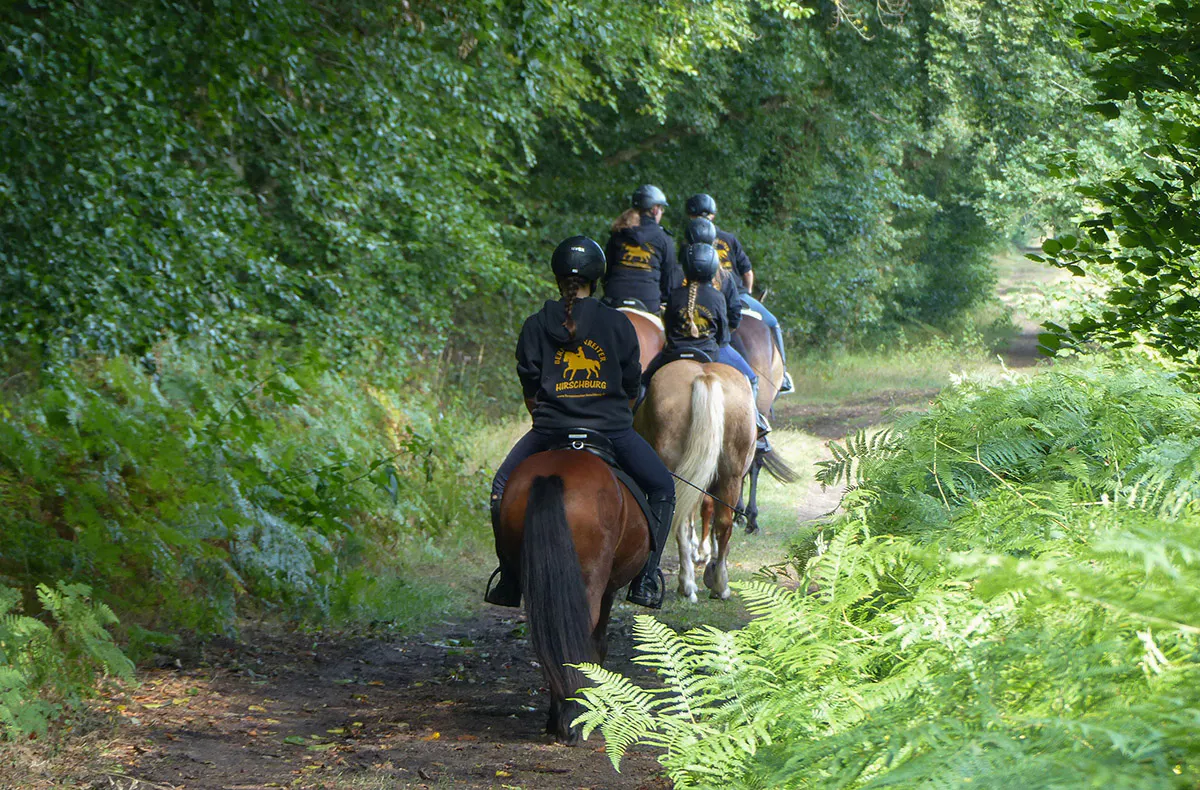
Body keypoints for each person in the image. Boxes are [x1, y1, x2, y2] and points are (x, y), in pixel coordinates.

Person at [485, 235, 677, 610]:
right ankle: (648, 578)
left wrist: (552, 421)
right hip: (612, 432)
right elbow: (630, 387)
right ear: (598, 277)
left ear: (557, 277)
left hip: (549, 432)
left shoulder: (535, 325)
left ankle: (509, 577)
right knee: (662, 487)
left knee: (502, 486)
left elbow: (530, 390)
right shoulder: (619, 325)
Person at [643, 241, 773, 449]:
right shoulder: (717, 296)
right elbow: (722, 336)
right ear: (713, 268)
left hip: (674, 354)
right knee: (751, 378)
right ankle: (756, 421)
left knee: (645, 380)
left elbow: (668, 330)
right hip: (711, 353)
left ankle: (636, 416)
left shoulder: (675, 295)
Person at [684, 193, 794, 393]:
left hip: (698, 295)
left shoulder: (687, 244)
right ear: (713, 216)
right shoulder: (728, 238)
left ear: (690, 217)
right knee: (772, 322)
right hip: (737, 294)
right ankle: (784, 374)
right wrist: (747, 293)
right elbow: (747, 272)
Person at [602, 185, 680, 313]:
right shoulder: (664, 239)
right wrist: (664, 300)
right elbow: (669, 278)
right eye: (661, 209)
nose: (662, 212)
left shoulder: (619, 232)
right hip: (648, 302)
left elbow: (607, 271)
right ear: (654, 210)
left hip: (615, 298)